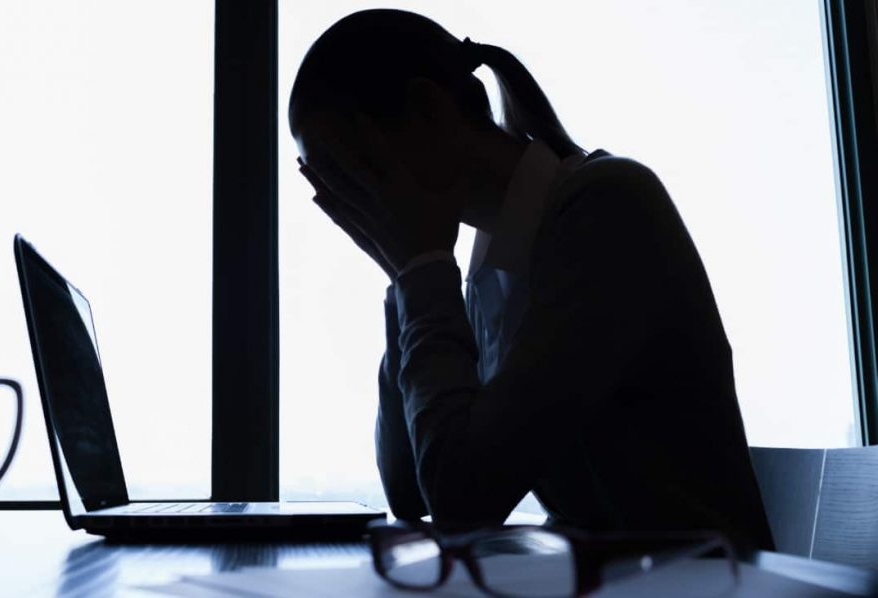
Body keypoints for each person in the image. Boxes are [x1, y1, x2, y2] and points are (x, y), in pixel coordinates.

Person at [288, 9, 774, 551]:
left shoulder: (607, 208)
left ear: (427, 111)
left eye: (351, 173)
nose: (354, 204)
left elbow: (460, 497)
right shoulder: (488, 265)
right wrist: (405, 279)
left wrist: (420, 271)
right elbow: (411, 491)